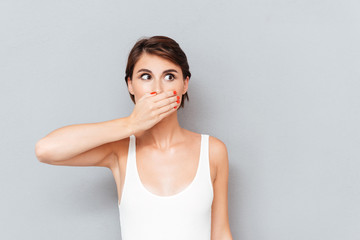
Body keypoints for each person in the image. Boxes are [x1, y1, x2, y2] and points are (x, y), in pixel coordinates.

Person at [35, 35, 233, 240]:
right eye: (146, 77)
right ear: (130, 85)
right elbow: (45, 150)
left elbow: (221, 233)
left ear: (185, 84)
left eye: (169, 76)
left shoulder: (212, 151)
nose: (157, 89)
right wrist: (131, 124)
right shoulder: (119, 151)